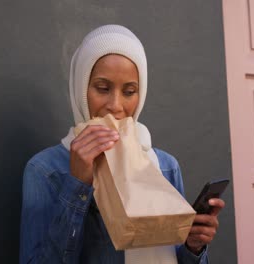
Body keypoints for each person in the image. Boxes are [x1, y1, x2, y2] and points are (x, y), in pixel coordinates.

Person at [19, 24, 225, 264]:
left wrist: (194, 246)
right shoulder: (46, 169)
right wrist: (77, 184)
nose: (116, 106)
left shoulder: (166, 167)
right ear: (80, 90)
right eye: (103, 88)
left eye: (129, 91)